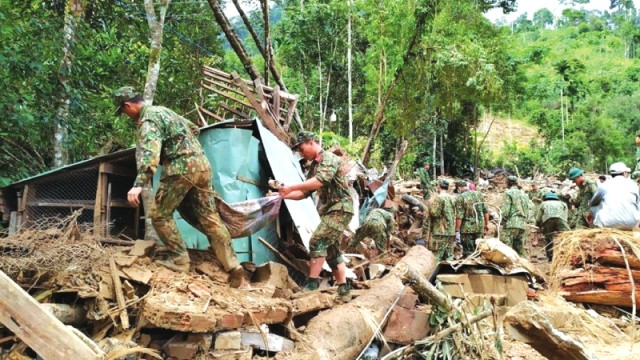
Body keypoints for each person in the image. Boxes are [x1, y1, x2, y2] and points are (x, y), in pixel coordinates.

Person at [113, 86, 246, 287]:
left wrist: (138, 185)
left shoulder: (148, 121)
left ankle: (179, 259)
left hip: (180, 168)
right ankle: (233, 265)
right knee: (209, 217)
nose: (126, 115)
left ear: (128, 105)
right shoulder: (165, 111)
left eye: (123, 111)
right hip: (202, 165)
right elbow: (194, 128)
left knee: (159, 215)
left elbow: (151, 154)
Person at [279, 131, 354, 303]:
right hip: (331, 209)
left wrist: (290, 187)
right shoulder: (314, 166)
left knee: (316, 241)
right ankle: (344, 291)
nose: (300, 152)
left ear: (311, 142)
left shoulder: (328, 158)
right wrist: (282, 196)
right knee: (332, 251)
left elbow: (319, 181)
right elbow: (305, 192)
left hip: (341, 207)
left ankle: (311, 285)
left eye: (301, 148)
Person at [589, 162, 640, 229]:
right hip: (631, 223)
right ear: (624, 173)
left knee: (594, 206)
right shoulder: (633, 185)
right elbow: (637, 204)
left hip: (608, 224)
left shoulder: (604, 185)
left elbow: (593, 203)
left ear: (611, 174)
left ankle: (598, 227)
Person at [454, 180, 489, 257]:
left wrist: (456, 230)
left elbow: (459, 216)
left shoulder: (461, 197)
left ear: (459, 188)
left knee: (468, 253)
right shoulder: (479, 195)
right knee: (479, 250)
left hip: (467, 230)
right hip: (479, 227)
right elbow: (486, 211)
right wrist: (486, 224)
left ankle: (469, 268)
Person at [500, 176, 529, 255]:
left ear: (508, 183)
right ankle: (522, 265)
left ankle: (508, 266)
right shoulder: (524, 194)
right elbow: (528, 209)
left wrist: (502, 221)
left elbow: (505, 211)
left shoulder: (508, 193)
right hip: (522, 224)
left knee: (506, 249)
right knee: (519, 249)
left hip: (511, 223)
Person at [535, 192, 569, 261]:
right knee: (565, 237)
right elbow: (566, 216)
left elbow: (538, 218)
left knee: (549, 239)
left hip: (548, 220)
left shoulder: (544, 204)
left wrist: (538, 226)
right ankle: (564, 255)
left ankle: (550, 257)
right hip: (561, 219)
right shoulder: (562, 204)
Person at [428, 180, 456, 260]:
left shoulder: (439, 198)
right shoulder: (453, 198)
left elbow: (435, 213)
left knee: (436, 256)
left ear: (439, 187)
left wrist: (430, 206)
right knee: (449, 256)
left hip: (440, 231)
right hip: (451, 231)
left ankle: (434, 271)